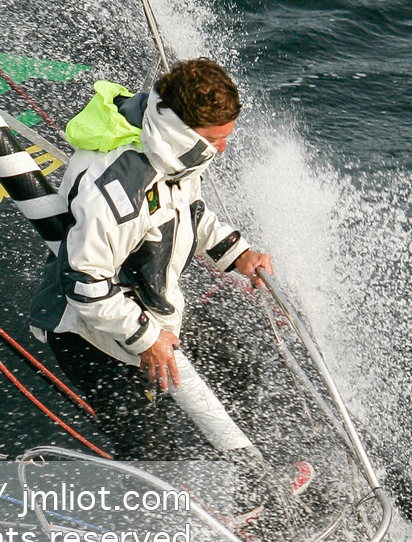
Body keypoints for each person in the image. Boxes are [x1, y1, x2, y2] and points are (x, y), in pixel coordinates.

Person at [31, 56, 272, 394]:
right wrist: (147, 339)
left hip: (152, 309)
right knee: (155, 448)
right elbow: (85, 283)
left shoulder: (168, 152)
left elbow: (187, 211)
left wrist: (238, 253)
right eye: (216, 139)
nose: (223, 147)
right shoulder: (117, 190)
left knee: (240, 374)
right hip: (98, 338)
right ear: (183, 133)